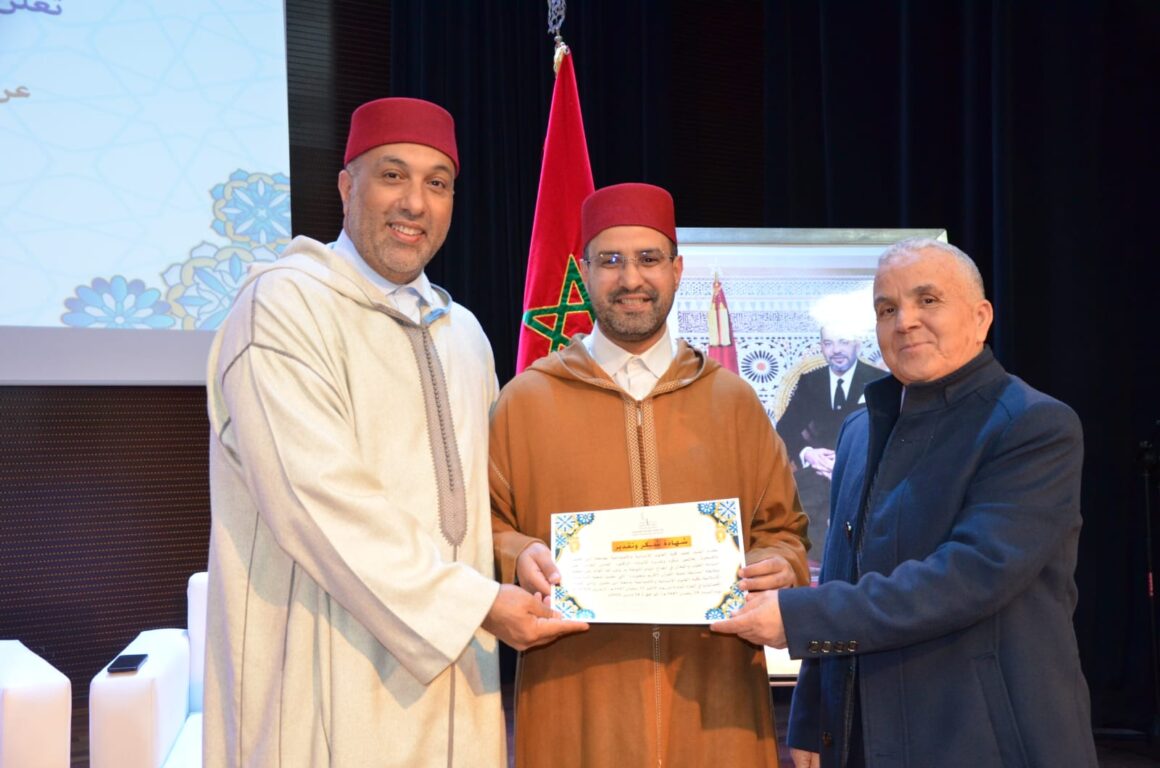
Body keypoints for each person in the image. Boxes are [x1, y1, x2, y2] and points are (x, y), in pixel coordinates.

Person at [202, 97, 585, 768]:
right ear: (346, 187)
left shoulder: (463, 333)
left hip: (457, 678)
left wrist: (515, 554)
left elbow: (474, 499)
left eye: (438, 183)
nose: (415, 202)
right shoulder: (283, 307)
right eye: (392, 175)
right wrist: (476, 603)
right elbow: (316, 500)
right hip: (325, 670)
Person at [712, 238, 1098, 767]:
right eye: (886, 309)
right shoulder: (859, 430)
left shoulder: (1034, 425)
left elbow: (968, 576)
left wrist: (798, 617)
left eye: (927, 300)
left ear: (981, 317)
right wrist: (811, 716)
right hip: (866, 736)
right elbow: (842, 573)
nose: (905, 321)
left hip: (987, 738)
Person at [489, 182, 811, 767]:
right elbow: (480, 530)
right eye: (611, 260)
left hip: (715, 704)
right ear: (585, 272)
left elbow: (785, 531)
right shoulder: (525, 402)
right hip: (578, 705)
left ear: (676, 270)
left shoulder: (733, 401)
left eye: (648, 258)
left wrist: (778, 566)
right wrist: (517, 556)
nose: (631, 278)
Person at [776, 326, 885, 558]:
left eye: (843, 342)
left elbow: (888, 433)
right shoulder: (810, 382)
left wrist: (847, 462)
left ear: (857, 344)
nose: (836, 350)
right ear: (822, 347)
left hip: (863, 474)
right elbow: (785, 429)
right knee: (788, 514)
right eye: (828, 343)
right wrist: (809, 454)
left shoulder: (879, 381)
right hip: (816, 474)